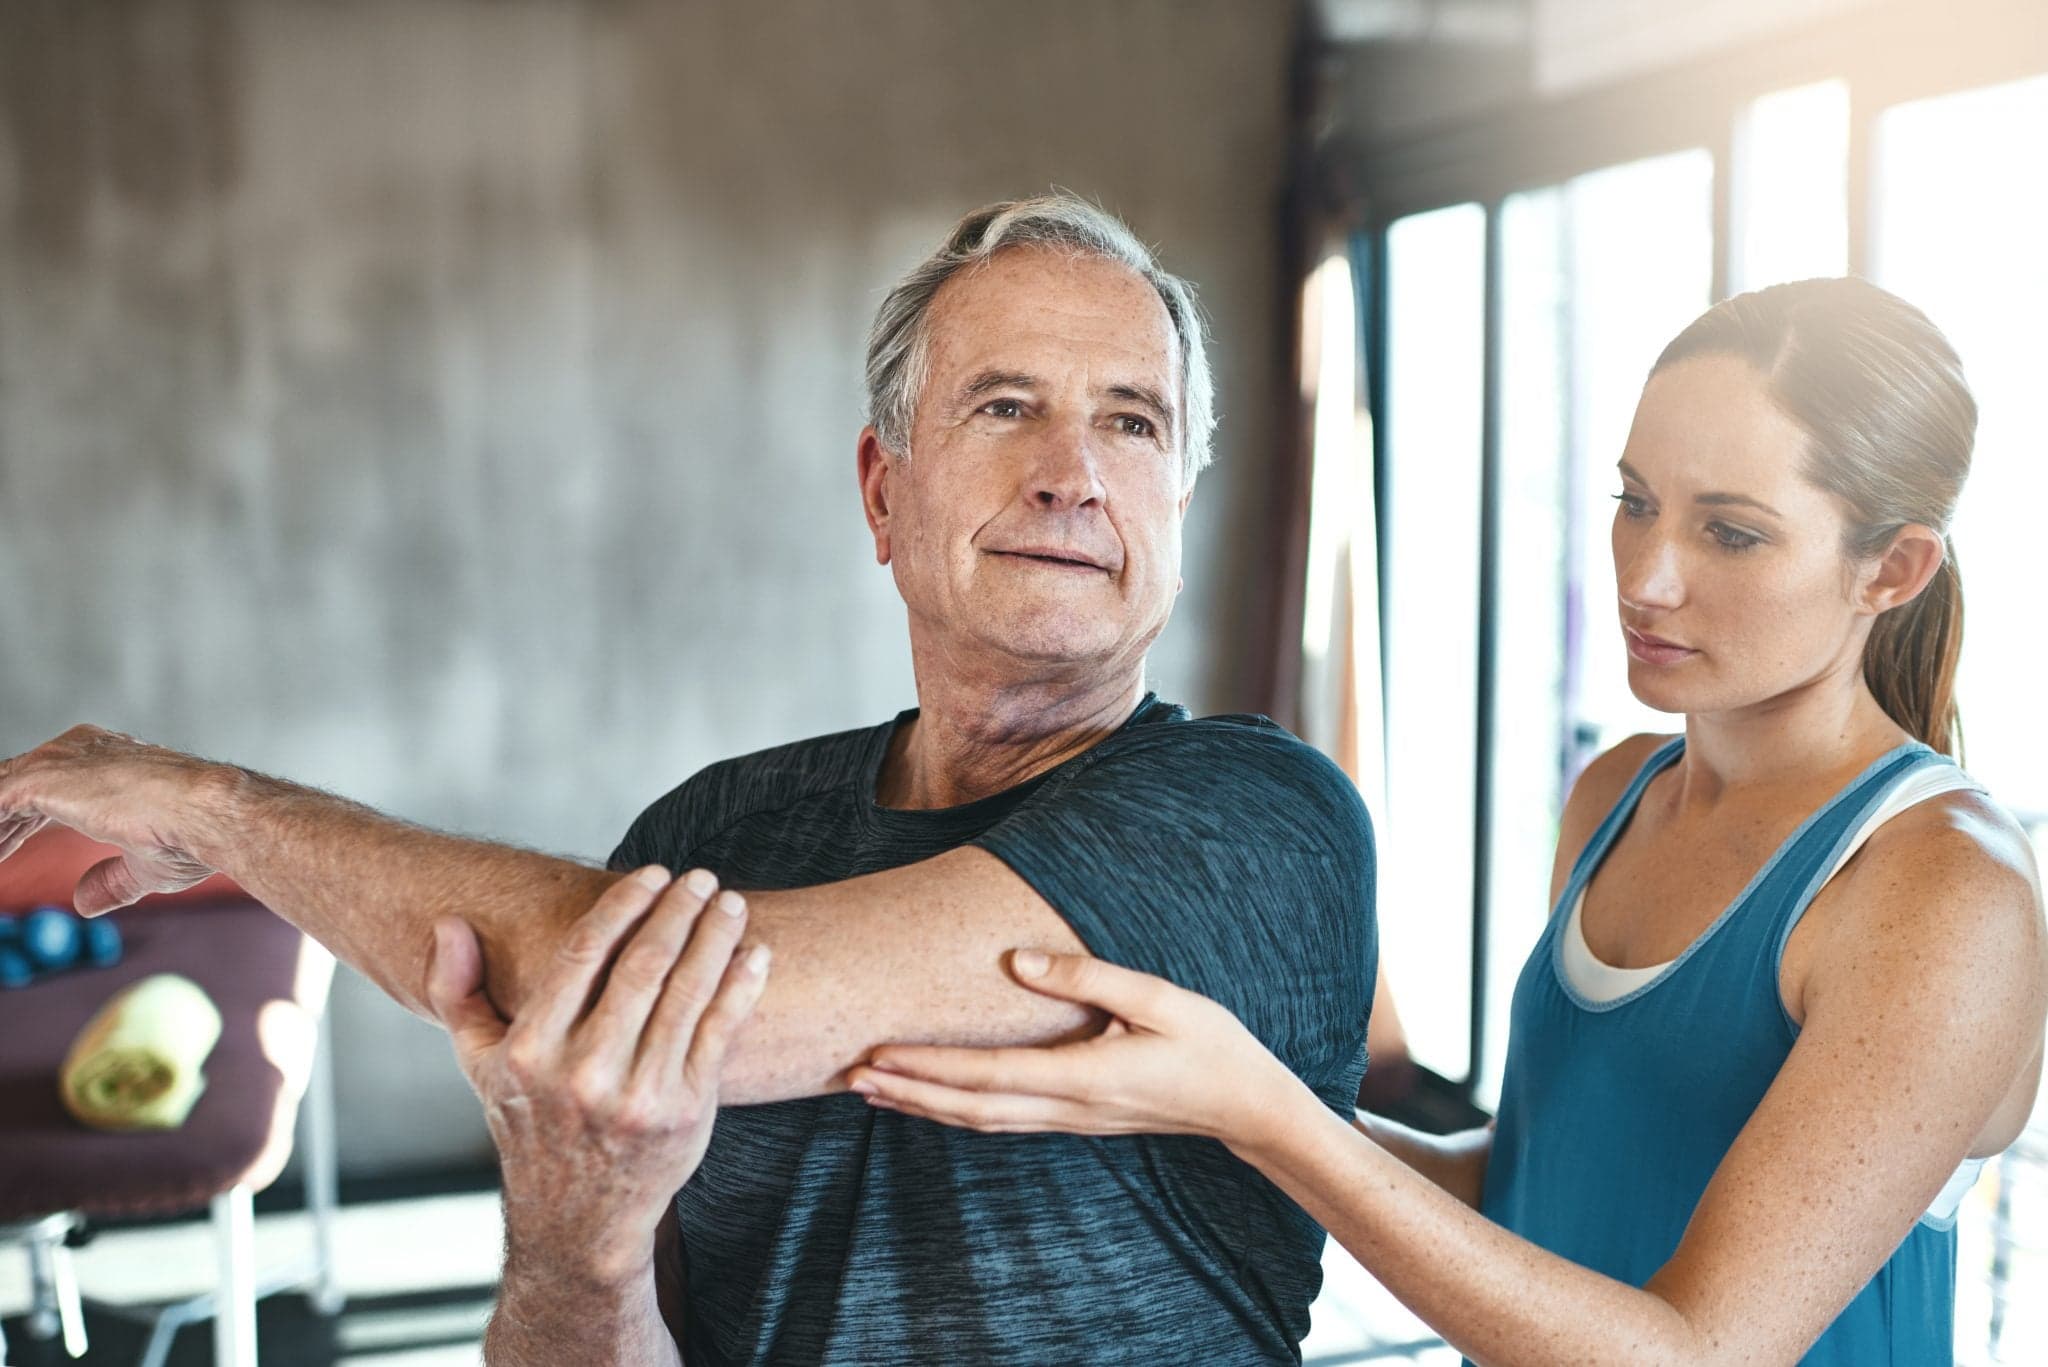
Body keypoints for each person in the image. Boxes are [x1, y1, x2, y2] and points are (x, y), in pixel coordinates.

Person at [0, 195, 1377, 1365]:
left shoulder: (1260, 821)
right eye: (1005, 405)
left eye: (1131, 422)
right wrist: (577, 1244)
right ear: (882, 490)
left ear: (1175, 505)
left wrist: (218, 806)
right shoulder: (717, 829)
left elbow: (664, 994)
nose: (1071, 474)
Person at [846, 277, 2048, 1365]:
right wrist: (1209, 1083)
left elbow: (1694, 1351)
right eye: (1634, 502)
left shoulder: (1942, 892)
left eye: (1728, 531)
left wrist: (1260, 1110)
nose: (1645, 577)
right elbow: (1524, 1189)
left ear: (1890, 569)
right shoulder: (1616, 794)